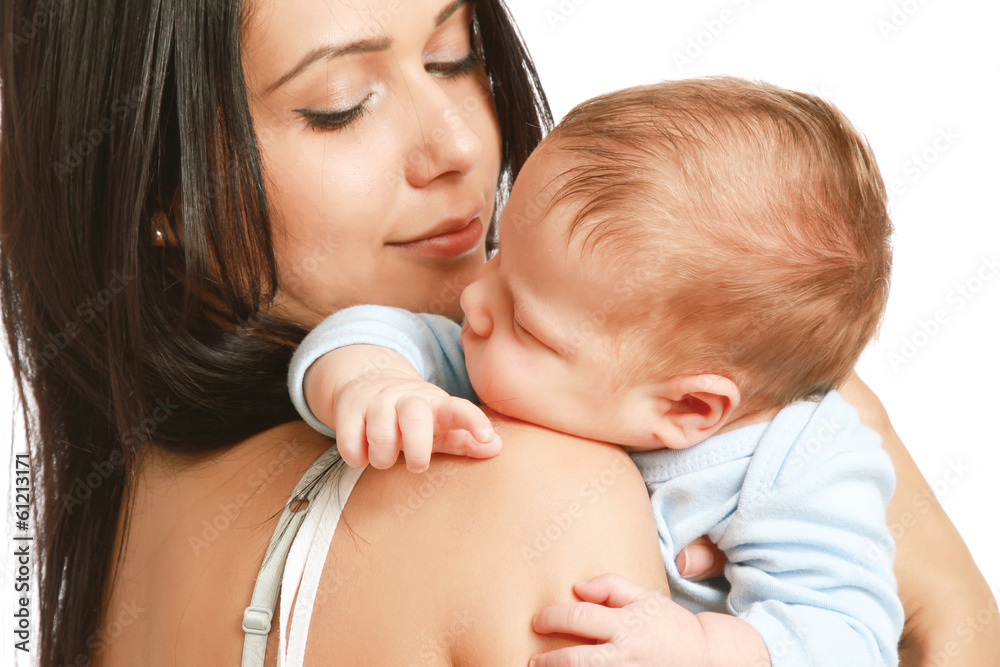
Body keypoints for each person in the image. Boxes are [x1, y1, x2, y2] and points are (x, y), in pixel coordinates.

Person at [0, 0, 995, 666]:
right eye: (337, 108)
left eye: (456, 56)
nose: (464, 146)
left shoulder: (122, 501)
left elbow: (838, 620)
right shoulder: (541, 487)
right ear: (154, 187)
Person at [287, 77, 904, 666]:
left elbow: (852, 638)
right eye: (501, 252)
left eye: (524, 323)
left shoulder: (803, 463)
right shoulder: (494, 364)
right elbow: (380, 333)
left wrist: (703, 649)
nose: (474, 298)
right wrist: (368, 381)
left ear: (685, 409)